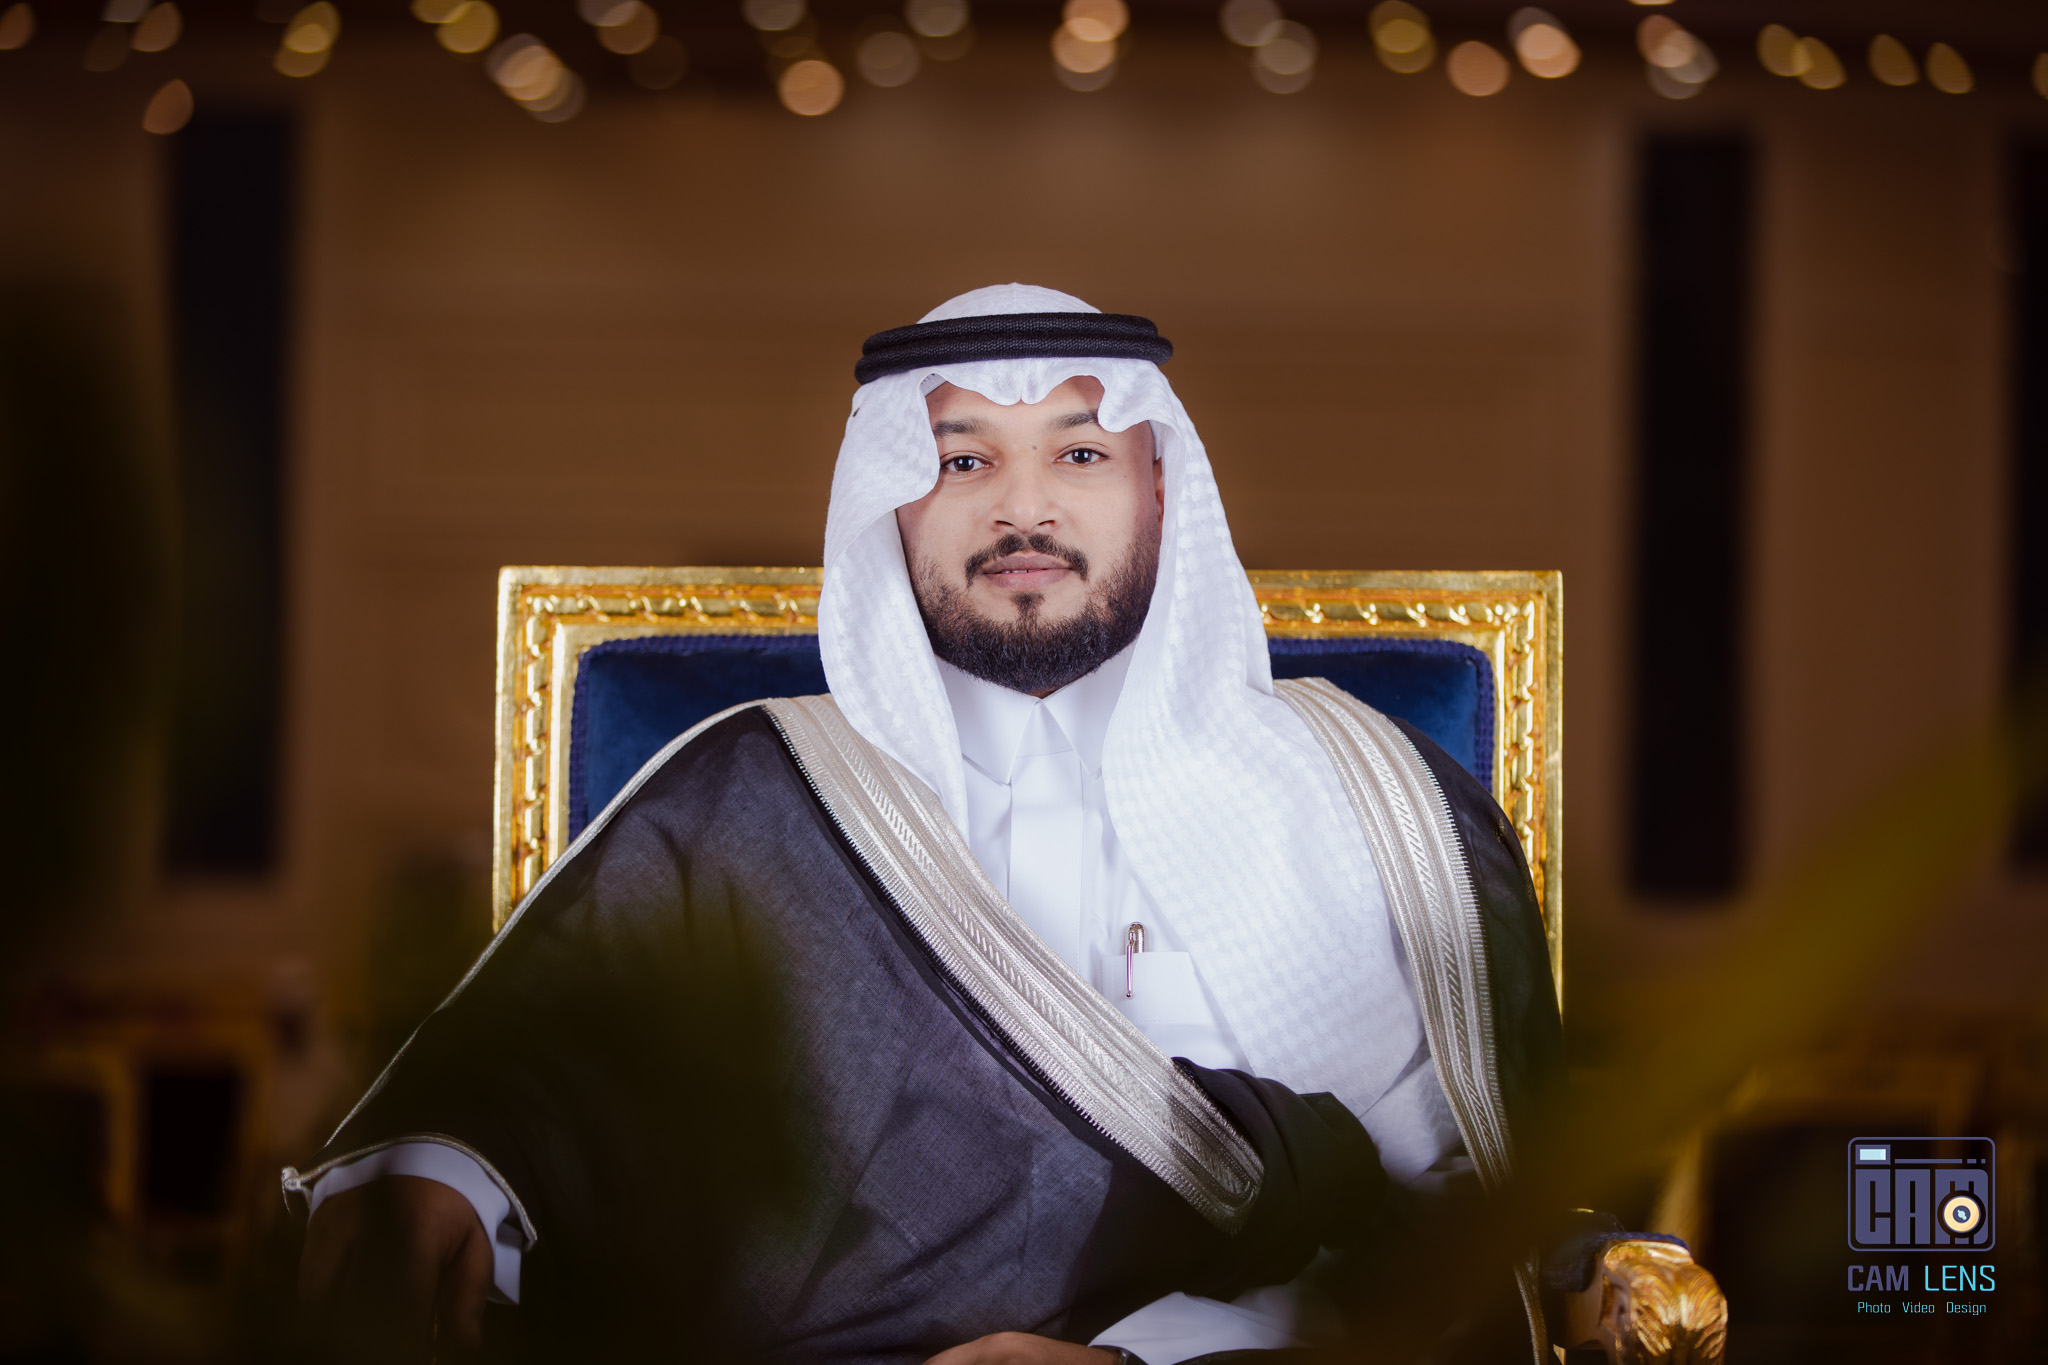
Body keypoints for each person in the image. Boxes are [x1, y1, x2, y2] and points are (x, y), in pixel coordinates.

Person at [287, 285, 1570, 1364]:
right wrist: (445, 1178)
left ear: (1159, 488)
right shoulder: (759, 794)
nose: (1023, 511)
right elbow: (542, 1070)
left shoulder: (1359, 800)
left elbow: (1461, 1232)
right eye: (963, 462)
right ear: (892, 501)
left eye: (1078, 454)